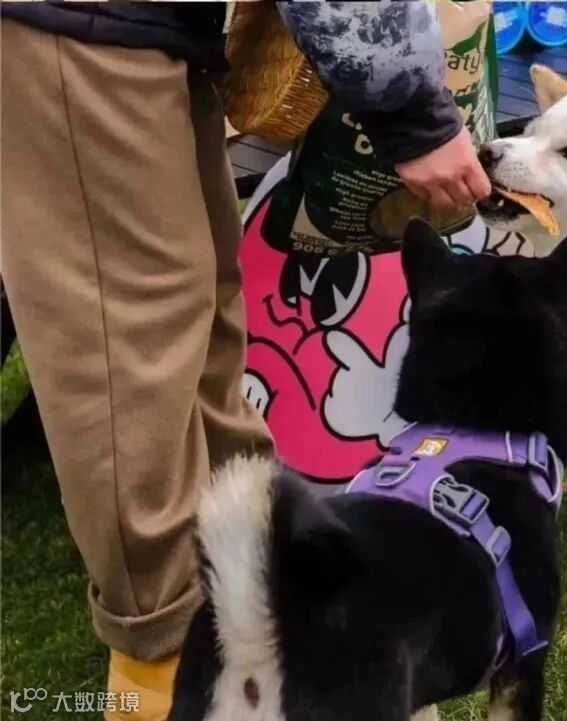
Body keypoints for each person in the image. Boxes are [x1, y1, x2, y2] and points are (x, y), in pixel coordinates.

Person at [0, 3, 489, 719]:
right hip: (79, 23)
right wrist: (414, 115)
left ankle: (263, 615)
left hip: (147, 27)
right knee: (125, 349)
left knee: (202, 315)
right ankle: (165, 674)